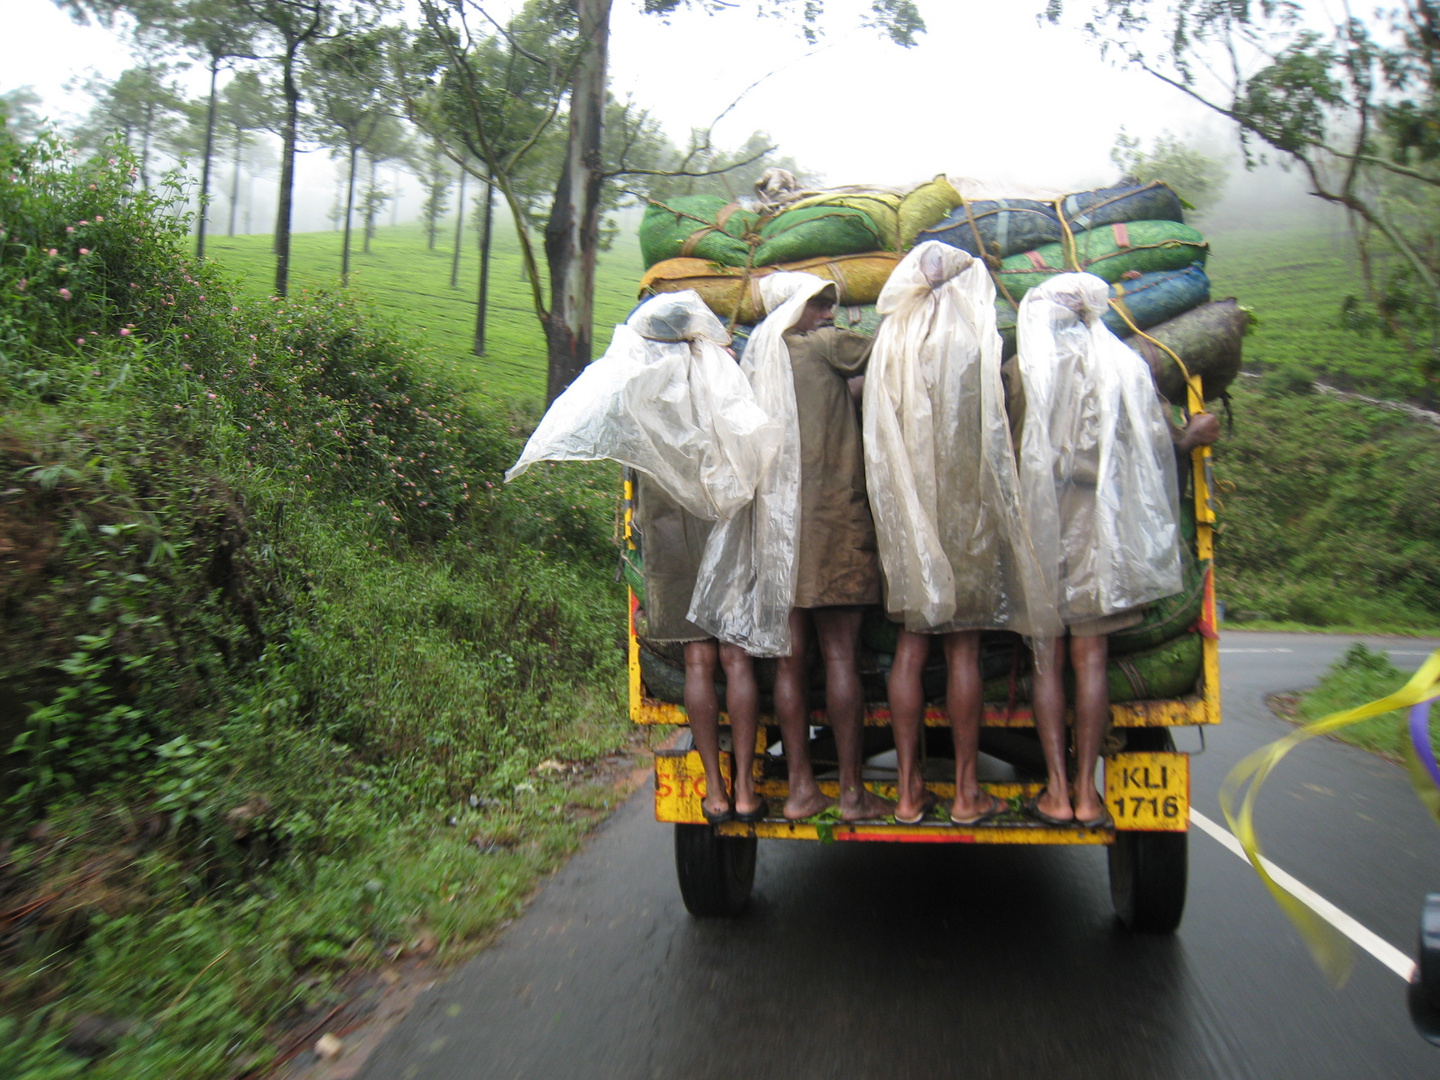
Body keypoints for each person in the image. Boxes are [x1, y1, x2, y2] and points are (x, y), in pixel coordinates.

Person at [507, 291, 778, 823]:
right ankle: (747, 789)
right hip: (726, 528)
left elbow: (619, 442)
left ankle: (716, 794)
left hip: (667, 533)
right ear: (697, 330)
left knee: (698, 659)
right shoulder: (720, 373)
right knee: (736, 656)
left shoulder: (636, 383)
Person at [863, 242, 1062, 826]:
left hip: (908, 522)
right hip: (970, 521)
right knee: (963, 650)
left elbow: (876, 441)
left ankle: (906, 792)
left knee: (911, 644)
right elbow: (1002, 436)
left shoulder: (890, 345)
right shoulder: (979, 344)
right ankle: (968, 791)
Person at [1009, 273, 1218, 827]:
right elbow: (1149, 447)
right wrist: (1188, 439)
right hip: (1100, 536)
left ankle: (1054, 789)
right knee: (1091, 661)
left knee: (1045, 662)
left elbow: (1002, 451)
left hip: (1038, 532)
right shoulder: (1125, 366)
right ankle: (1086, 792)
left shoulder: (1021, 369)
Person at [690, 273, 892, 822]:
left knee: (789, 665)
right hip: (833, 533)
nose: (829, 310)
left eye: (831, 300)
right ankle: (852, 794)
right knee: (841, 657)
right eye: (818, 302)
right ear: (791, 309)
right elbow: (893, 348)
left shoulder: (754, 362)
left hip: (776, 537)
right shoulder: (825, 346)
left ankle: (801, 787)